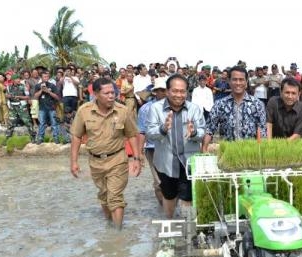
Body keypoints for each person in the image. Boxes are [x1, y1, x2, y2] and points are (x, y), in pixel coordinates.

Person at [69, 77, 142, 230]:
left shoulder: (122, 111)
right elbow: (76, 135)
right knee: (104, 196)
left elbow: (132, 135)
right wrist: (74, 162)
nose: (111, 96)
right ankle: (110, 226)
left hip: (117, 160)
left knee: (115, 197)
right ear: (96, 93)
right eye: (106, 93)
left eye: (113, 92)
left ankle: (118, 235)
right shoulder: (84, 111)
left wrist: (136, 158)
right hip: (95, 162)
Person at [146, 74, 206, 219]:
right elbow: (150, 133)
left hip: (189, 162)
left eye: (182, 91)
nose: (179, 95)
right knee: (169, 195)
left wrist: (194, 132)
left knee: (187, 197)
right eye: (175, 91)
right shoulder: (155, 109)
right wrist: (163, 129)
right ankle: (170, 222)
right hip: (165, 161)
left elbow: (202, 133)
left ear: (187, 92)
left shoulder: (195, 109)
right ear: (167, 91)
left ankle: (188, 230)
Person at [201, 66, 267, 152]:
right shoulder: (220, 104)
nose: (238, 83)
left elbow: (262, 132)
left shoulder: (257, 104)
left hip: (251, 154)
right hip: (227, 154)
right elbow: (209, 130)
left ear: (246, 82)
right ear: (229, 81)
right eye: (234, 79)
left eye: (241, 80)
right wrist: (204, 149)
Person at [137, 77, 168, 206]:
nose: (165, 93)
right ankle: (165, 210)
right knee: (159, 181)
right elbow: (142, 131)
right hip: (153, 148)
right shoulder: (146, 109)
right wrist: (139, 154)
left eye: (166, 90)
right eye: (161, 90)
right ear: (155, 92)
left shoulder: (177, 106)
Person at [34, 71, 61, 144]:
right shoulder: (37, 86)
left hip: (51, 108)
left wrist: (49, 92)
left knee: (54, 123)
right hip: (42, 108)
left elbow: (57, 97)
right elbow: (35, 97)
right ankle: (40, 138)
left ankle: (56, 138)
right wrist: (41, 90)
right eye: (44, 77)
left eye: (47, 77)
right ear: (41, 78)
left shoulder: (52, 86)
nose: (46, 78)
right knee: (42, 123)